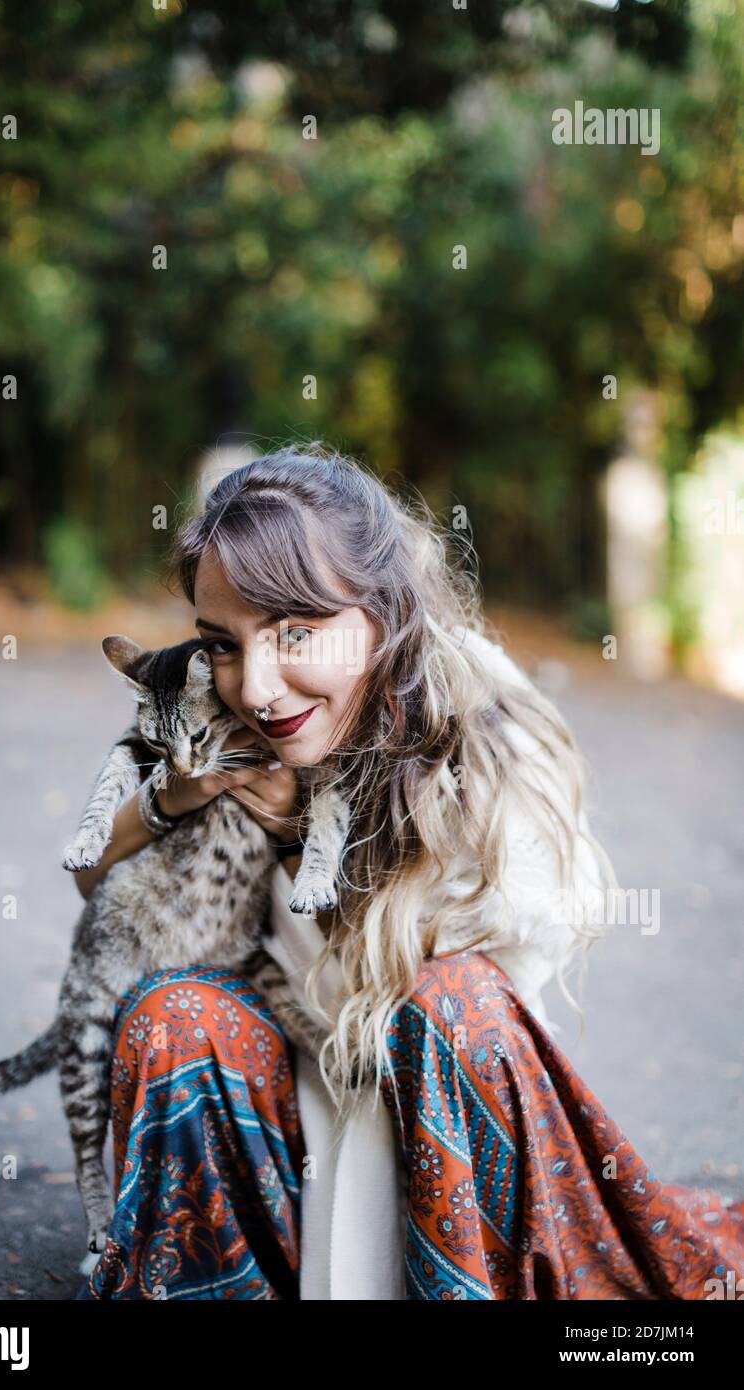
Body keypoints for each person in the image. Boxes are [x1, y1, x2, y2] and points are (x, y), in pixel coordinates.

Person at [73, 443, 744, 1300]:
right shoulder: (215, 733)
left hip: (439, 1108)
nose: (260, 687)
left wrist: (291, 833)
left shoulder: (481, 731)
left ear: (383, 615)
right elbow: (95, 887)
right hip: (293, 1095)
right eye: (225, 645)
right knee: (170, 1016)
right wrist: (169, 800)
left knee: (446, 1004)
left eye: (295, 632)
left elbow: (453, 996)